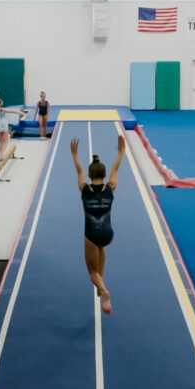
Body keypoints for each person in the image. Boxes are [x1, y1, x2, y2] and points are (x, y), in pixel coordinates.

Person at [70, 134, 126, 314]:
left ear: (89, 175)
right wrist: (121, 151)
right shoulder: (111, 187)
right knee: (102, 250)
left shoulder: (84, 189)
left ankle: (105, 292)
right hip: (108, 234)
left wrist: (75, 156)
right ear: (105, 174)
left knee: (92, 272)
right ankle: (101, 285)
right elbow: (116, 167)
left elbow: (79, 170)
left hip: (91, 235)